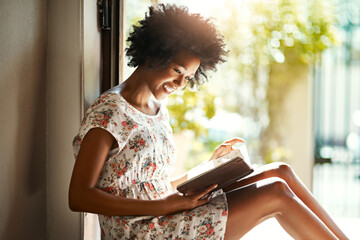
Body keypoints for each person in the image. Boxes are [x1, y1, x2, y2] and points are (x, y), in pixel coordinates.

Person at [69, 4, 348, 240]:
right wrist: (165, 205)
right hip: (141, 229)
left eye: (188, 77)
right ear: (154, 53)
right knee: (275, 194)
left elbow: (155, 185)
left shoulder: (157, 109)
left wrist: (211, 168)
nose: (180, 84)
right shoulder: (110, 112)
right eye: (177, 70)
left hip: (163, 210)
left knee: (280, 172)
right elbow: (79, 197)